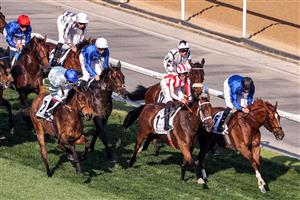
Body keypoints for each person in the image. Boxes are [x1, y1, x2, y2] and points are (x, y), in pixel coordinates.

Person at [160, 63, 192, 131]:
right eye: (182, 74)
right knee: (169, 101)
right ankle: (166, 124)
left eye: (185, 74)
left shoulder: (187, 79)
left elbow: (189, 92)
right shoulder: (173, 79)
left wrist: (188, 99)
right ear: (178, 74)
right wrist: (181, 99)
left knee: (183, 100)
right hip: (166, 85)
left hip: (177, 86)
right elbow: (172, 94)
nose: (184, 76)